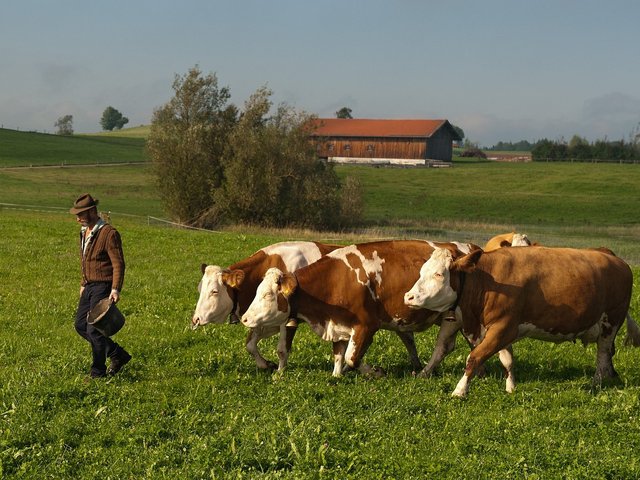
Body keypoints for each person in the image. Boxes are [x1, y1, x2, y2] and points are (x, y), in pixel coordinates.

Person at [70, 193, 131, 379]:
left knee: (93, 330)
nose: (78, 217)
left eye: (81, 213)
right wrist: (83, 282)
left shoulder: (108, 233)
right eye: (76, 213)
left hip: (103, 286)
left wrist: (115, 289)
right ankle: (117, 354)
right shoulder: (84, 232)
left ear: (92, 211)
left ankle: (98, 373)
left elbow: (118, 264)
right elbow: (85, 260)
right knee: (80, 325)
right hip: (89, 286)